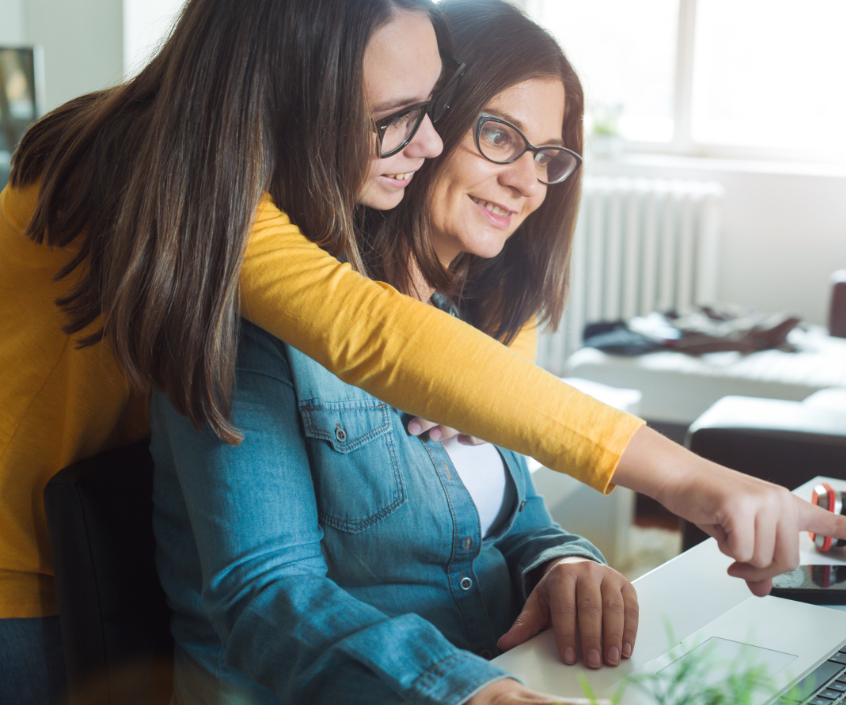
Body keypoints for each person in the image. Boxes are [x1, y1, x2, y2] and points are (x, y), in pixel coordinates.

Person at [0, 0, 846, 699]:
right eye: (411, 117)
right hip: (15, 554)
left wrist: (564, 559)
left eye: (548, 156)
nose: (425, 142)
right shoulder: (199, 201)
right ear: (303, 98)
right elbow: (367, 339)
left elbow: (503, 499)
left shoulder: (453, 299)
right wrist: (697, 479)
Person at [151, 4, 633, 703]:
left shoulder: (464, 316)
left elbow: (514, 520)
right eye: (499, 135)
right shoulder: (264, 315)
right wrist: (469, 691)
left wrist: (562, 561)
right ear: (421, 119)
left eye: (547, 157)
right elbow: (268, 596)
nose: (528, 182)